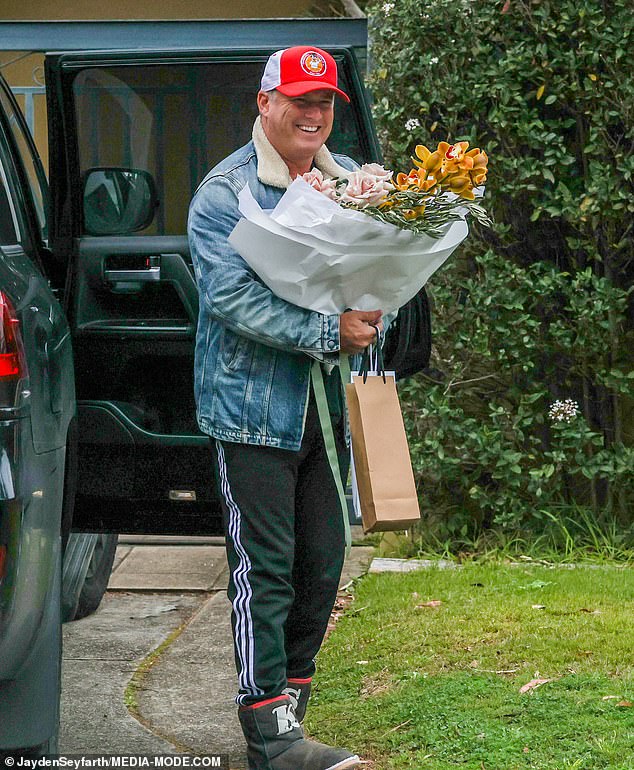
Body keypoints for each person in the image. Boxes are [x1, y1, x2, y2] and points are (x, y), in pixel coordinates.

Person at [188, 45, 382, 770]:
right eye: (299, 99)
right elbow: (231, 299)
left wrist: (374, 308)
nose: (314, 113)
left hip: (326, 408)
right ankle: (267, 730)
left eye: (325, 102)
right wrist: (330, 329)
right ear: (264, 103)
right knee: (264, 568)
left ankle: (293, 712)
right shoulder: (225, 192)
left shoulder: (350, 181)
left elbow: (367, 274)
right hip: (251, 409)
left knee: (323, 564)